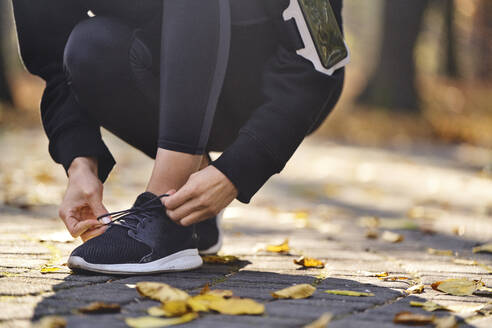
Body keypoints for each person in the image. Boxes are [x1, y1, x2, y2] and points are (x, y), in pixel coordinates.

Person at [12, 0, 345, 274]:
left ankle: (164, 212)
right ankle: (189, 209)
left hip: (266, 84)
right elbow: (57, 64)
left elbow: (320, 62)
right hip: (162, 72)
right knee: (90, 46)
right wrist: (80, 164)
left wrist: (238, 170)